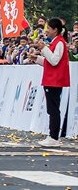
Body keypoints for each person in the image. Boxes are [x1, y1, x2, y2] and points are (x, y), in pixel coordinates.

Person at [28, 18, 70, 147]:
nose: (47, 31)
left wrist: (43, 48)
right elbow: (49, 62)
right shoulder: (56, 42)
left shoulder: (60, 43)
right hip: (51, 79)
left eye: (49, 28)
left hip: (55, 80)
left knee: (53, 109)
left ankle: (54, 137)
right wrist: (37, 58)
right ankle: (52, 135)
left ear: (55, 30)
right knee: (51, 109)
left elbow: (54, 61)